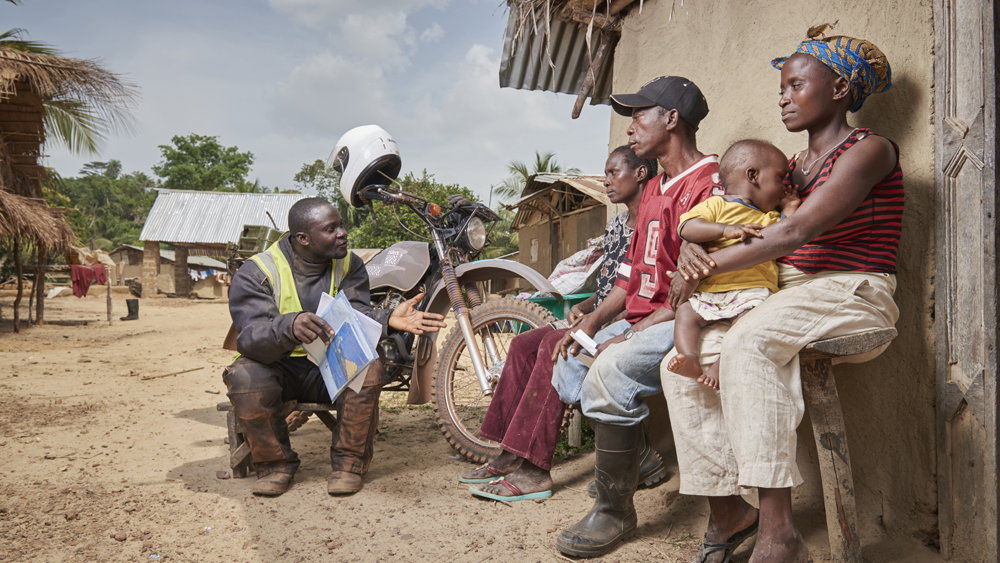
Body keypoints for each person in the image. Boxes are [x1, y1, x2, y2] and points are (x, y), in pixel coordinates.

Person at [662, 29, 901, 563]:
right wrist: (695, 256)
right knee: (681, 363)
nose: (783, 96)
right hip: (785, 295)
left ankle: (779, 534)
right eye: (781, 87)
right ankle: (729, 512)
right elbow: (738, 222)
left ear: (840, 87)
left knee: (747, 343)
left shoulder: (869, 152)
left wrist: (700, 272)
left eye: (796, 84)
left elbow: (792, 234)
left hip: (852, 291)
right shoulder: (789, 170)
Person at [551, 76, 720, 558]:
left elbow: (695, 285)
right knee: (568, 361)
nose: (630, 128)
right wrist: (594, 321)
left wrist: (628, 337)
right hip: (642, 318)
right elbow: (630, 277)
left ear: (671, 119)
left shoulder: (709, 181)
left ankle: (613, 509)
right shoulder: (653, 186)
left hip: (685, 318)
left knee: (608, 370)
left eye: (639, 114)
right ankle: (636, 462)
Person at [462, 146, 660, 502]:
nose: (607, 181)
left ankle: (535, 468)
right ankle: (510, 450)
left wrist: (599, 320)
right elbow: (609, 287)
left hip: (626, 321)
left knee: (554, 348)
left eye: (614, 173)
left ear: (641, 174)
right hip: (601, 315)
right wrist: (584, 308)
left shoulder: (654, 221)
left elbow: (640, 292)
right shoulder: (618, 225)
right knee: (524, 344)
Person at [223, 197, 446, 497]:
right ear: (302, 238)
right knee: (244, 377)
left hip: (328, 368)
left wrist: (387, 317)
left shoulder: (349, 264)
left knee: (369, 366)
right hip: (278, 368)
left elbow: (355, 314)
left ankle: (349, 465)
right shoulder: (258, 271)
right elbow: (250, 337)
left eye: (341, 225)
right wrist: (288, 326)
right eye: (331, 229)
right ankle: (275, 466)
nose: (343, 233)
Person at [667, 139, 800, 389]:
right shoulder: (716, 205)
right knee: (685, 313)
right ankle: (689, 358)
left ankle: (719, 366)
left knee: (747, 321)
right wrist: (725, 229)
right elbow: (688, 227)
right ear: (753, 175)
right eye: (780, 178)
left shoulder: (768, 217)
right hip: (711, 292)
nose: (784, 186)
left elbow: (786, 231)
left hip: (751, 291)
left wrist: (791, 206)